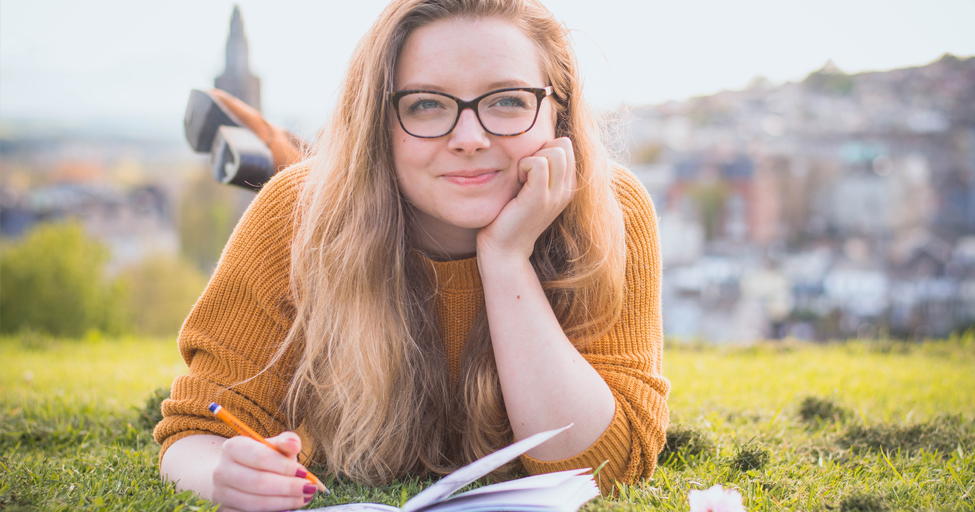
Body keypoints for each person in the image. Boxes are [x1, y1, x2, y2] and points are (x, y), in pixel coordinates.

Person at [154, 0, 670, 510]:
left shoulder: (610, 209)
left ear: (559, 111)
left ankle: (273, 146)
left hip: (379, 180)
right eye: (426, 104)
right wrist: (222, 474)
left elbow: (606, 467)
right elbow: (197, 429)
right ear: (379, 119)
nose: (470, 138)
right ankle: (289, 152)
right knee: (325, 192)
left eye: (508, 101)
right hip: (348, 195)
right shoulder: (292, 213)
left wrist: (507, 257)